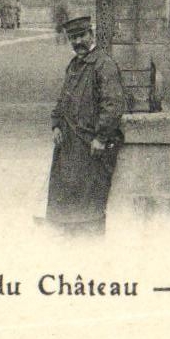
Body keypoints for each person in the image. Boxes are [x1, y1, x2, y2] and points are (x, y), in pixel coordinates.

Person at [46, 14, 127, 236]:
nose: (77, 42)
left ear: (91, 35)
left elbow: (113, 105)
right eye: (73, 38)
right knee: (65, 198)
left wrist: (101, 138)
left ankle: (89, 249)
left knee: (89, 202)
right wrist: (56, 125)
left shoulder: (104, 65)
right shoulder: (74, 65)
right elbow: (63, 99)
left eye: (81, 35)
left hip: (91, 145)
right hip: (69, 144)